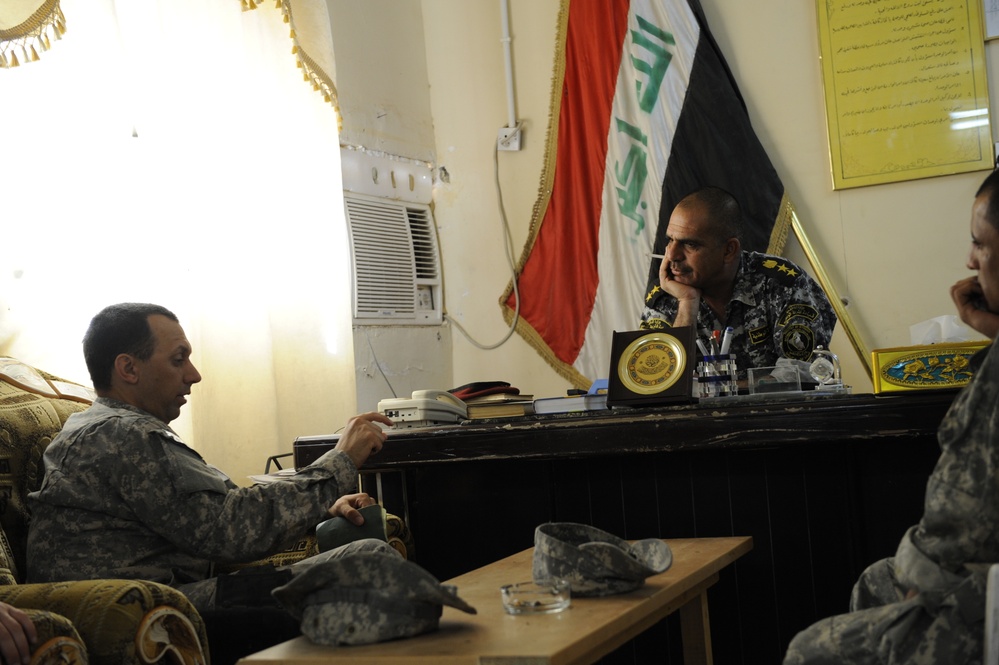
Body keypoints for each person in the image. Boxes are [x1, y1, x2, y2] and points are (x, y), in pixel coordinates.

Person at [25, 302, 398, 613]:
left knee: (365, 553)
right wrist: (341, 460)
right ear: (128, 368)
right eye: (178, 359)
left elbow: (220, 513)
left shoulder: (112, 428)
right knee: (370, 562)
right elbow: (231, 530)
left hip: (168, 596)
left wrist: (322, 507)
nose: (194, 375)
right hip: (149, 613)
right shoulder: (121, 435)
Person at [783, 168, 999, 664]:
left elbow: (968, 521)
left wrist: (924, 588)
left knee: (808, 652)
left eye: (981, 245)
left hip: (982, 594)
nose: (969, 260)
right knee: (876, 580)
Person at [640, 186, 836, 377]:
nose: (672, 255)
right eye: (670, 240)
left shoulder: (781, 283)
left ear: (729, 250)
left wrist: (723, 390)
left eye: (690, 244)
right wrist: (687, 302)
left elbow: (803, 371)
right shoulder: (667, 293)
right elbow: (659, 380)